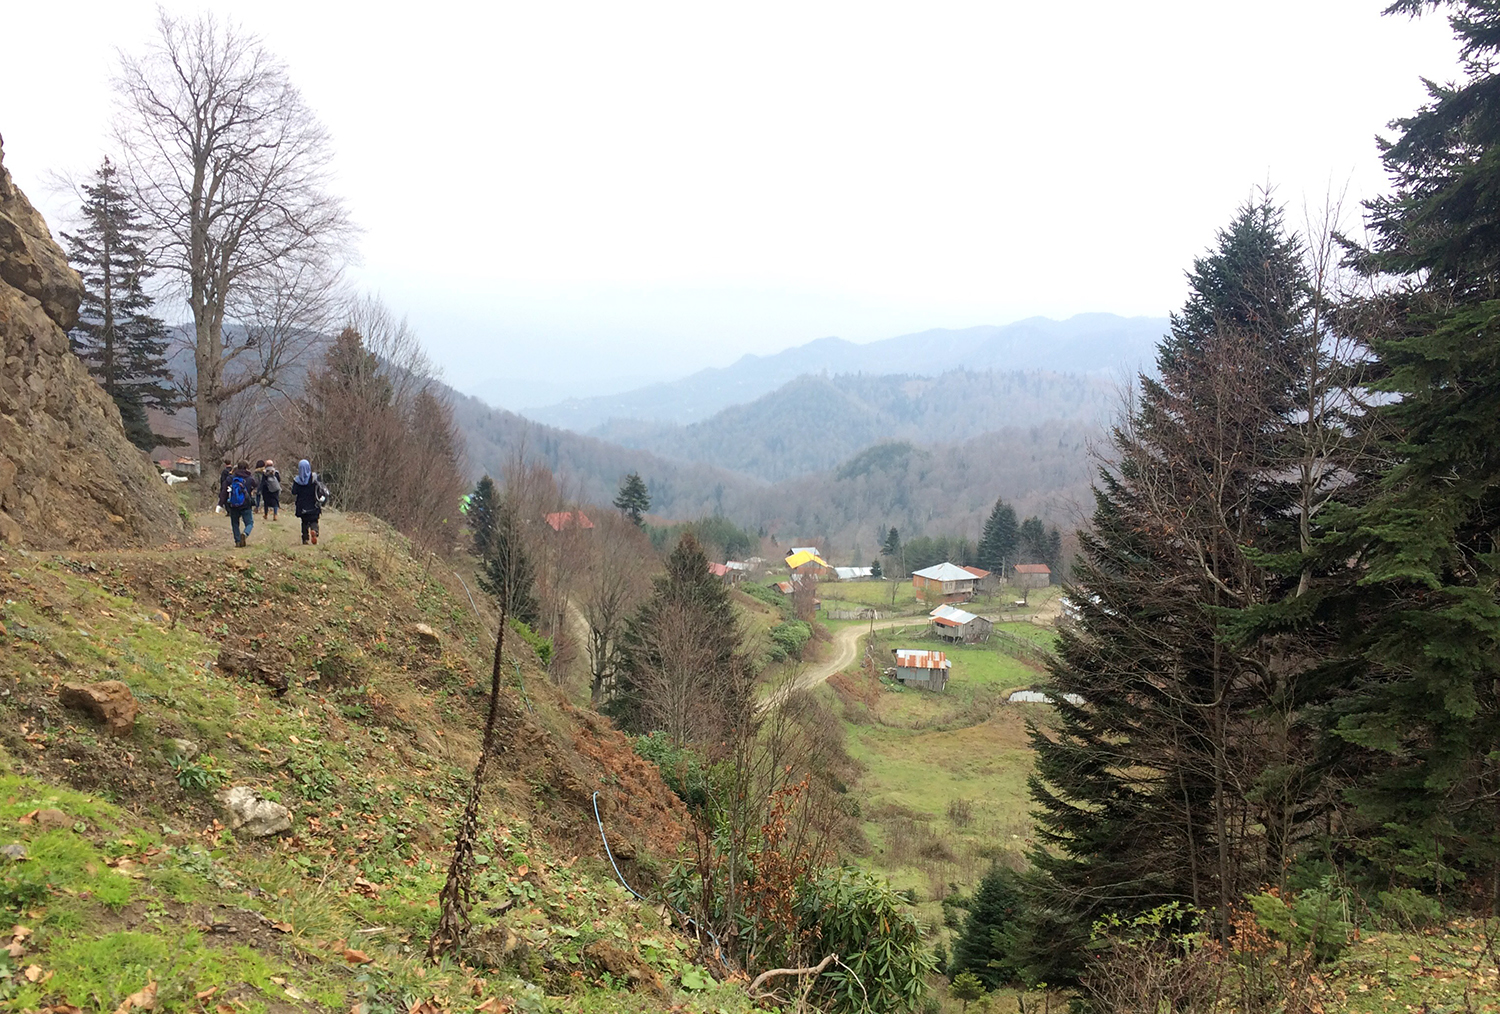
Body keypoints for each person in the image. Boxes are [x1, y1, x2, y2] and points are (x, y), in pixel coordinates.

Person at [223, 459, 258, 547]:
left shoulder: (231, 478)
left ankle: (237, 541)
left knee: (235, 523)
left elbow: (225, 490)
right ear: (247, 468)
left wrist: (221, 502)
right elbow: (256, 485)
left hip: (233, 504)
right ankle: (245, 533)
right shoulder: (249, 478)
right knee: (249, 523)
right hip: (246, 504)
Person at [291, 458, 327, 545]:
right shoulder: (314, 478)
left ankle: (305, 538)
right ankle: (314, 531)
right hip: (313, 504)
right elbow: (320, 488)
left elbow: (293, 492)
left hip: (302, 505)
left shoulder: (297, 480)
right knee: (314, 520)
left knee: (304, 522)